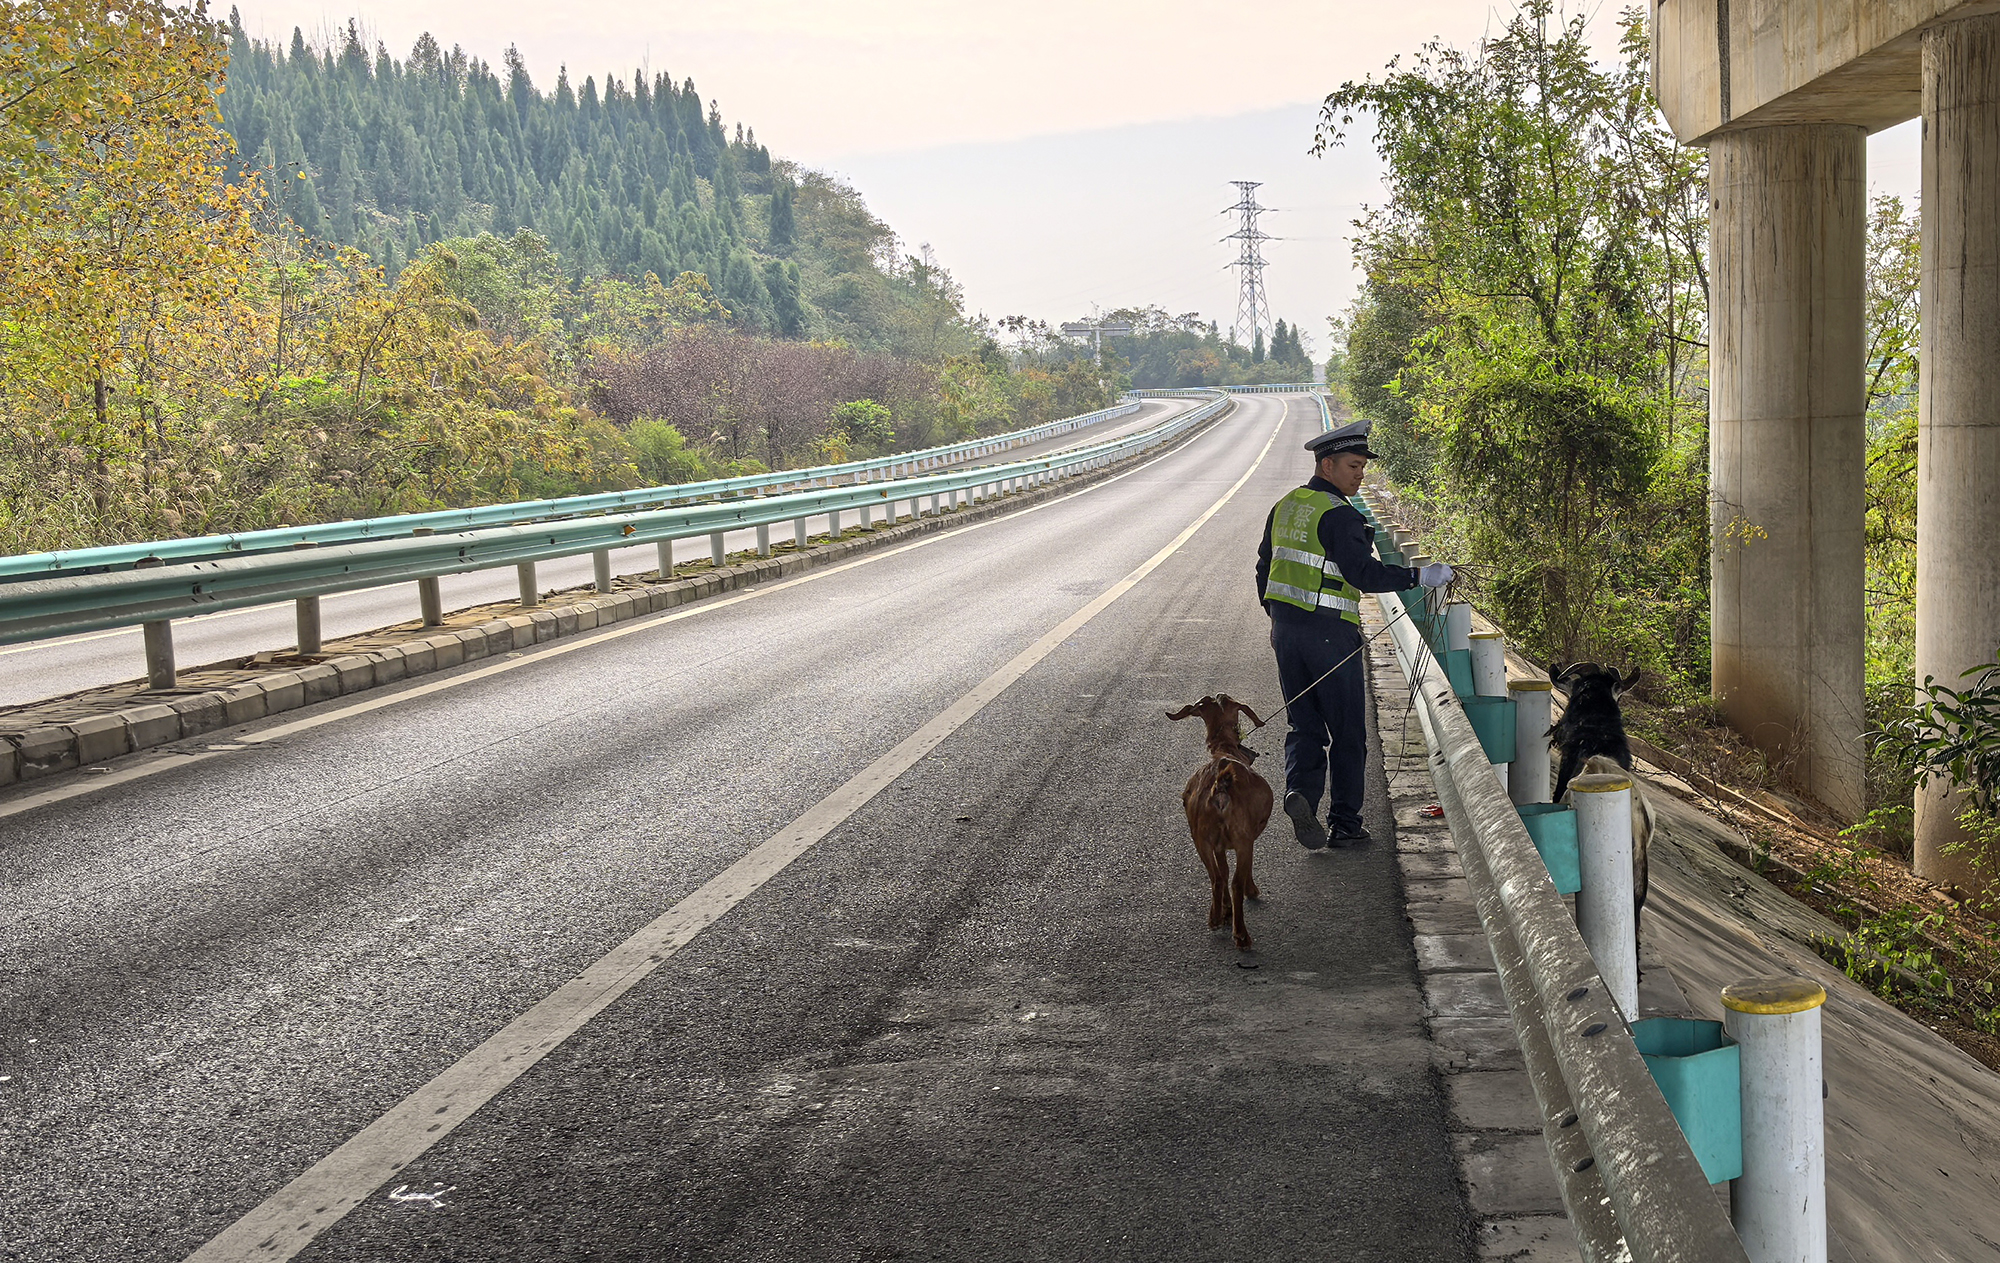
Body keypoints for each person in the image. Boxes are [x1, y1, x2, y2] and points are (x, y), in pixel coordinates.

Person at [1255, 418, 1453, 849]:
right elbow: (1363, 573)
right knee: (1347, 733)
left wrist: (1276, 616)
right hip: (1329, 635)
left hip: (1286, 634)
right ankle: (1345, 824)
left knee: (1303, 725)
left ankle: (1301, 794)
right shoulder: (1340, 515)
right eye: (1353, 465)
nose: (1360, 473)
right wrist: (1421, 574)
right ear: (1327, 466)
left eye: (1362, 465)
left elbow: (1263, 567)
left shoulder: (1286, 505)